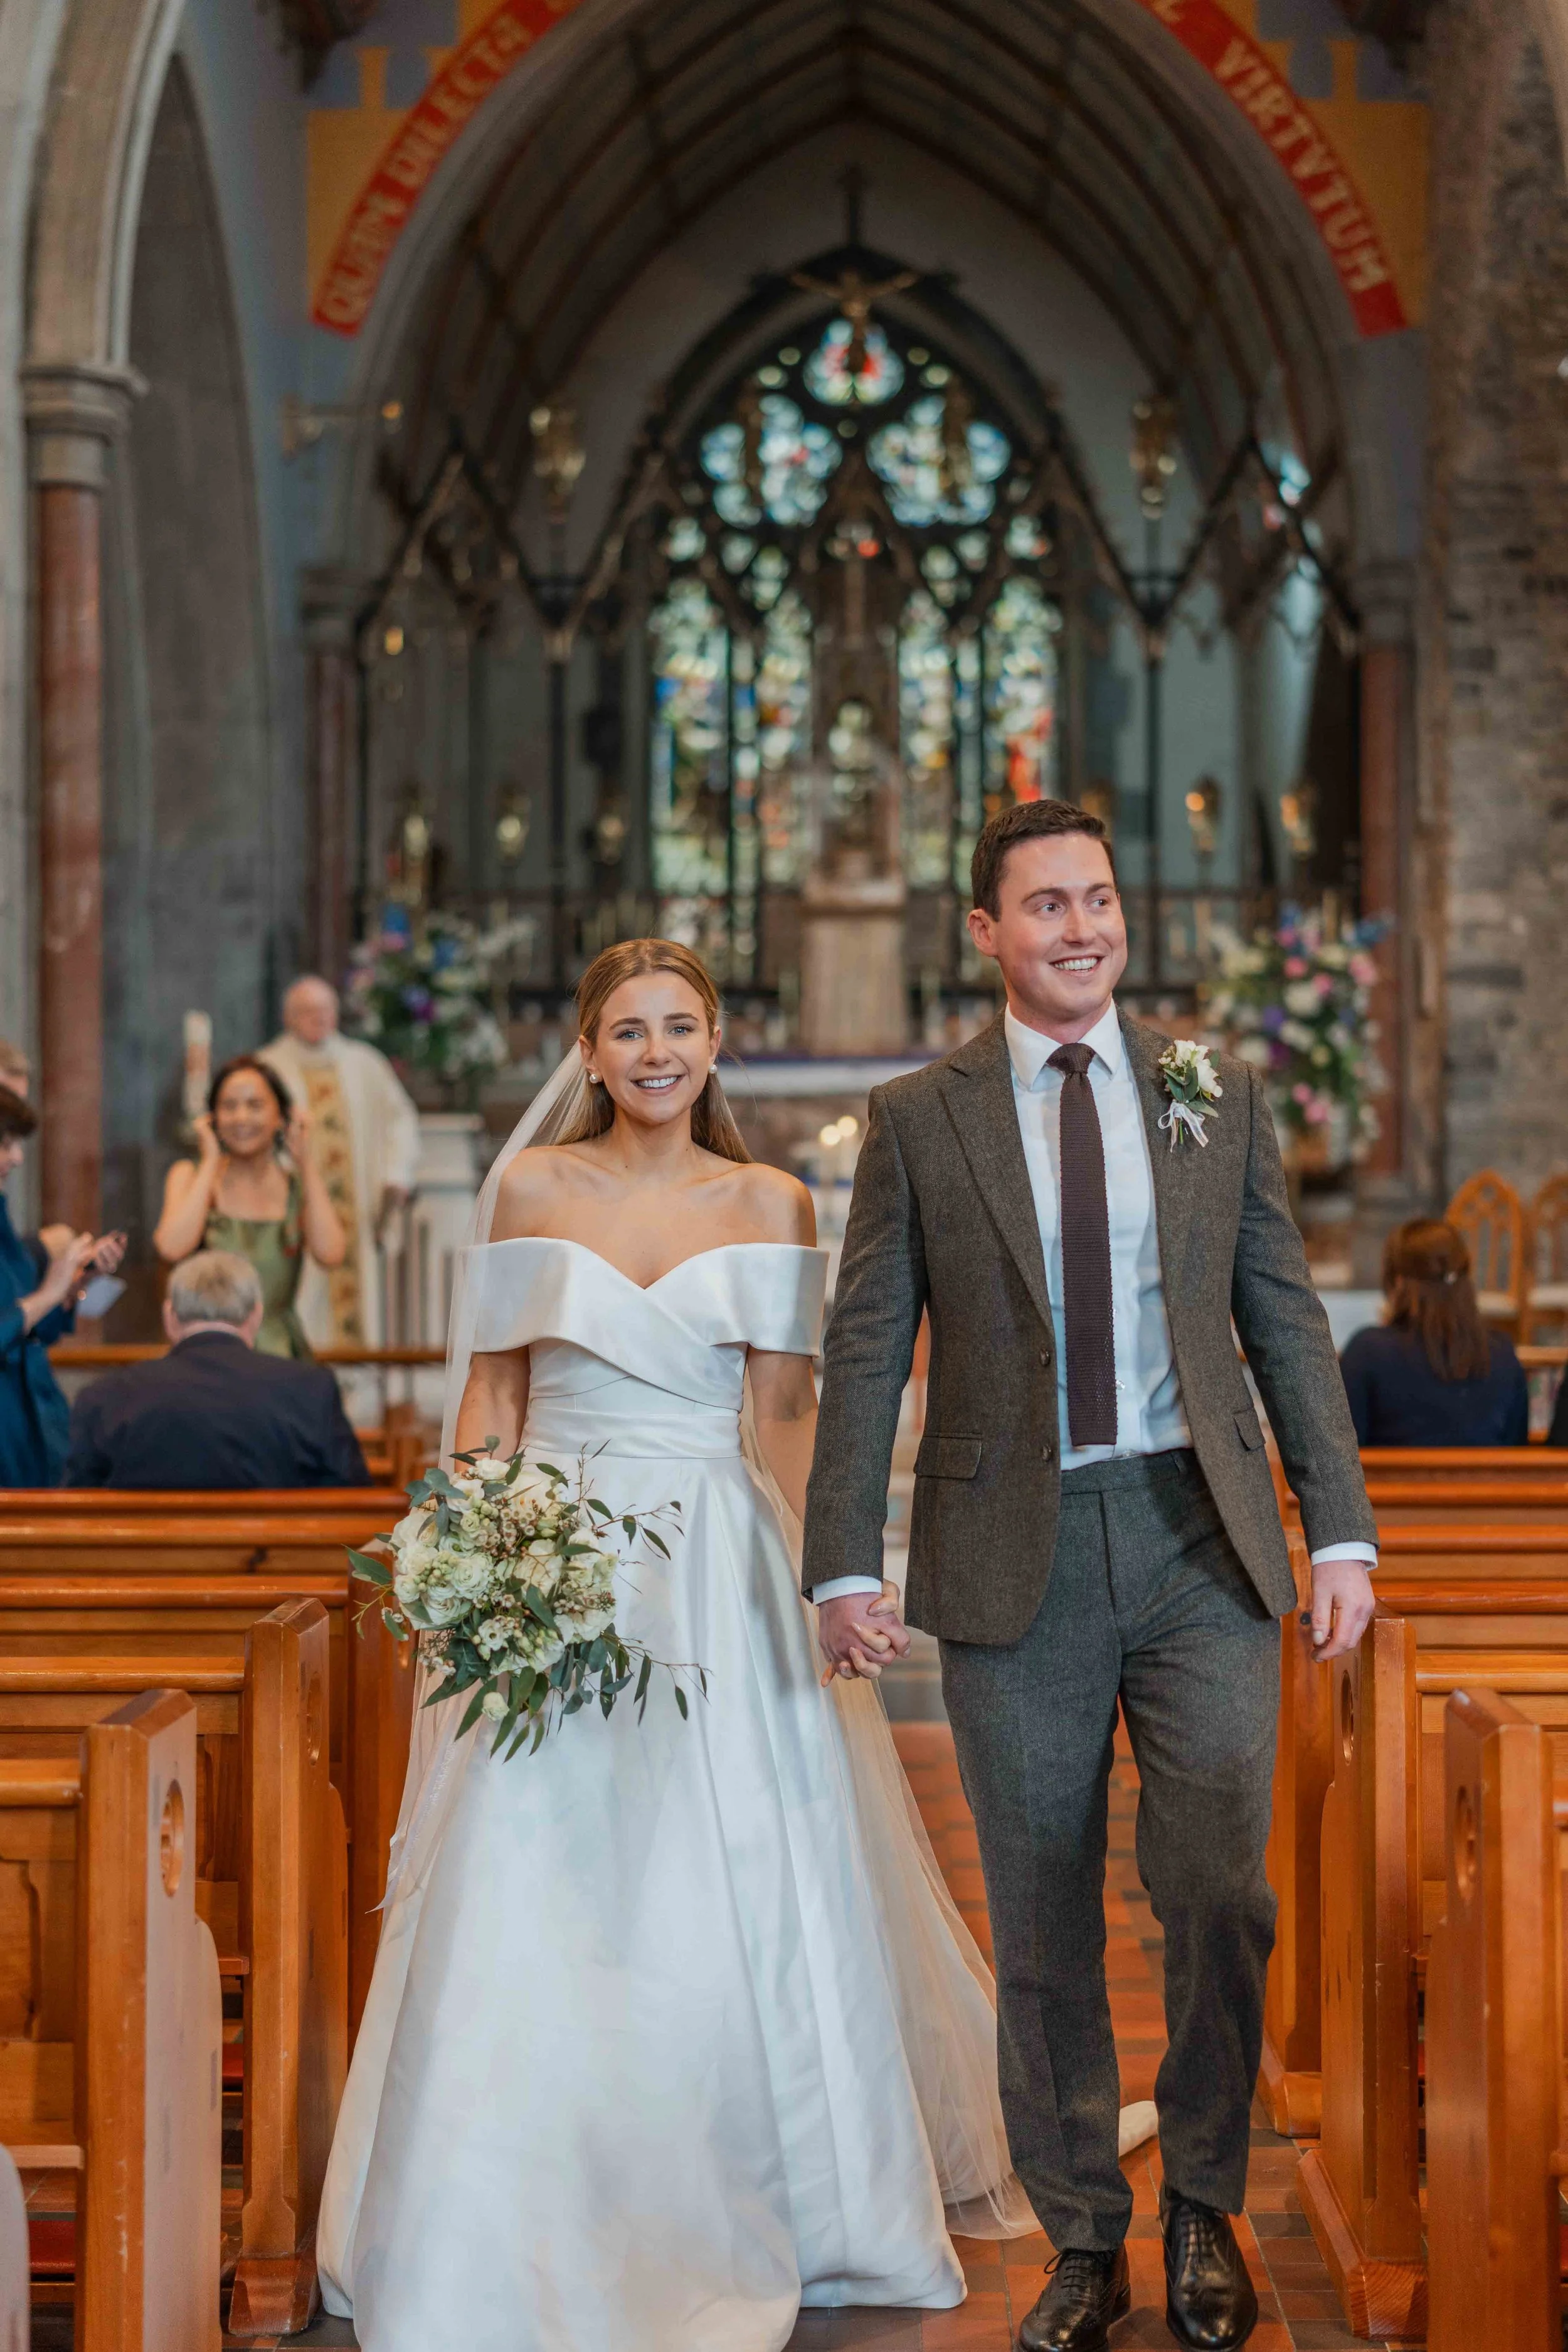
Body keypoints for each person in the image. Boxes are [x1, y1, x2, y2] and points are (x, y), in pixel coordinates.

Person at [317, 935, 1156, 2352]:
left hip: (713, 1559)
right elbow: (492, 1396)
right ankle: (508, 2206)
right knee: (544, 1870)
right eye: (629, 1028)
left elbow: (783, 1414)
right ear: (585, 1050)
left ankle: (792, 2198)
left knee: (740, 1872)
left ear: (715, 1045)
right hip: (555, 1556)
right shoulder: (531, 1186)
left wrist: (830, 1576)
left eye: (681, 1026)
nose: (655, 1051)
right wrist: (462, 1553)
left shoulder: (771, 1199)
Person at [803, 799, 1379, 2352]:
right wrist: (842, 1557)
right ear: (985, 932)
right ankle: (1083, 2227)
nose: (1082, 926)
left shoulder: (1214, 1094)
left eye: (1099, 899)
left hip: (1201, 1534)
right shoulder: (923, 1117)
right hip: (1013, 1552)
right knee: (1044, 1911)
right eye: (1046, 905)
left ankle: (1203, 2195)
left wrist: (1337, 1527)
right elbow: (865, 1346)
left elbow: (1285, 1318)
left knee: (1216, 1884)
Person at [66, 1249, 369, 1490]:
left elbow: (77, 1499)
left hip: (146, 1567)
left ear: (170, 1316)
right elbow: (352, 1494)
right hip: (279, 1567)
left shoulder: (105, 1396)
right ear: (256, 1316)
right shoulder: (310, 1389)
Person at [260, 976, 419, 1350]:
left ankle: (359, 1394)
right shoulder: (268, 1066)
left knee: (356, 1302)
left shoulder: (363, 1063)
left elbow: (401, 1120)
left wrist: (395, 1174)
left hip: (357, 1213)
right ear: (289, 1017)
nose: (319, 1018)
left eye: (325, 1010)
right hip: (293, 1211)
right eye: (307, 1011)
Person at [153, 1055, 346, 1359]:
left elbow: (331, 1253)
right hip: (208, 1354)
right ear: (213, 1118)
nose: (241, 1118)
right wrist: (211, 1161)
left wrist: (306, 1163)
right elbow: (171, 1248)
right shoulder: (189, 1175)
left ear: (282, 1117)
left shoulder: (297, 1185)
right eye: (229, 1107)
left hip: (280, 1353)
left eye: (255, 1106)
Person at [0, 1084, 125, 1486]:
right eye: (4, 1145)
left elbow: (30, 1328)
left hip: (27, 1421)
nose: (17, 1158)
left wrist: (73, 1288)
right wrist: (49, 1291)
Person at [1341, 1219, 1528, 1448]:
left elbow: (1342, 1455)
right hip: (1486, 1485)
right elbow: (1515, 1449)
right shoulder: (1502, 1353)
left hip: (1389, 1484)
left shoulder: (1367, 1352)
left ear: (1398, 1282)